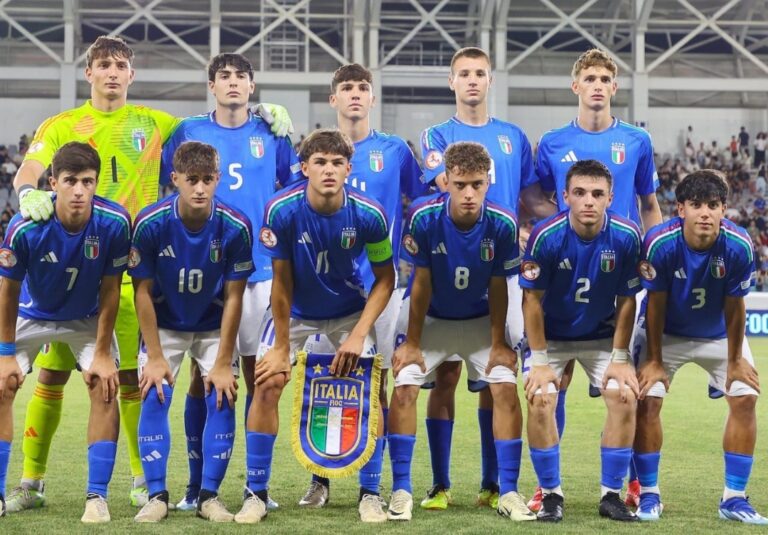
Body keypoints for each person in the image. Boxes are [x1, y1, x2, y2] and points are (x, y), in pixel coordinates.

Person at [9, 35, 292, 511]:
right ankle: (31, 482)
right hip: (68, 271)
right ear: (89, 73)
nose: (112, 72)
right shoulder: (61, 124)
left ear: (131, 74)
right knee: (51, 377)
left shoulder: (157, 123)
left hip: (130, 272)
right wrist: (25, 192)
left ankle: (144, 482)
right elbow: (30, 168)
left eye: (120, 65)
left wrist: (263, 113)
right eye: (104, 65)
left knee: (129, 381)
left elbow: (217, 125)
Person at [159, 52, 301, 512]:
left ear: (253, 86)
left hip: (260, 273)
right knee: (202, 379)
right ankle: (196, 488)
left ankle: (256, 487)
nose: (233, 82)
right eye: (224, 76)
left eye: (242, 76)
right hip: (204, 274)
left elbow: (293, 191)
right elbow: (165, 185)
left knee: (259, 379)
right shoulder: (188, 131)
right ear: (212, 86)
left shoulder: (272, 132)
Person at [234, 129, 395, 524]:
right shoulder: (281, 210)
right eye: (320, 162)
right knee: (267, 382)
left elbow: (386, 279)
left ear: (348, 169)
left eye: (337, 163)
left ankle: (370, 494)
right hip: (296, 312)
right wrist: (280, 347)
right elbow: (281, 282)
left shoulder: (369, 214)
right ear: (304, 167)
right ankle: (256, 494)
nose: (329, 170)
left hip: (348, 312)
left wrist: (358, 335)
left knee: (373, 389)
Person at [418, 45, 555, 511]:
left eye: (480, 73)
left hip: (505, 268)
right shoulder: (437, 135)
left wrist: (573, 218)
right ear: (452, 82)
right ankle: (440, 484)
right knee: (446, 374)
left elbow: (532, 201)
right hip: (451, 265)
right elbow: (445, 187)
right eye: (464, 73)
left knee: (499, 372)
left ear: (490, 81)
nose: (472, 80)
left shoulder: (514, 136)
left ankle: (494, 483)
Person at [532, 48, 662, 510]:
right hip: (568, 272)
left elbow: (649, 205)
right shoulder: (551, 142)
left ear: (614, 87)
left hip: (621, 275)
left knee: (629, 384)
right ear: (576, 86)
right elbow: (536, 199)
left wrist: (652, 256)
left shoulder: (637, 140)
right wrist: (560, 234)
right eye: (589, 78)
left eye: (605, 79)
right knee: (556, 382)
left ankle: (629, 483)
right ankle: (547, 486)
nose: (597, 86)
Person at [296, 63, 427, 508]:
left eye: (363, 88)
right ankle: (320, 478)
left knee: (378, 384)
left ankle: (372, 486)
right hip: (327, 291)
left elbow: (420, 200)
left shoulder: (396, 150)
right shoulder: (319, 151)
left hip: (381, 288)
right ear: (333, 98)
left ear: (373, 98)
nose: (355, 94)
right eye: (347, 88)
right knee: (323, 381)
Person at [387, 142, 531, 522]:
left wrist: (499, 343)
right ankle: (402, 490)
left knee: (504, 386)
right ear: (447, 181)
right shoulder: (424, 217)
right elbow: (420, 283)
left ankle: (508, 491)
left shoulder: (502, 222)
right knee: (404, 386)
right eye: (461, 184)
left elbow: (499, 286)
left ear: (488, 183)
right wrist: (412, 343)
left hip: (480, 321)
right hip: (432, 320)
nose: (469, 194)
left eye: (477, 185)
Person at [0, 142, 130, 522]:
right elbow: (7, 291)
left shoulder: (114, 223)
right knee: (1, 383)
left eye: (87, 182)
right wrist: (5, 354)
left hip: (85, 317)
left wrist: (102, 353)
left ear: (96, 183)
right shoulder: (26, 226)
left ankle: (97, 497)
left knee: (105, 385)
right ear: (53, 183)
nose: (79, 191)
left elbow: (111, 289)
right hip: (30, 314)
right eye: (70, 181)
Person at [633, 170, 766, 524]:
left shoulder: (739, 245)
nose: (705, 213)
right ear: (681, 209)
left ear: (724, 209)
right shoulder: (660, 243)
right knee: (647, 398)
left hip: (718, 334)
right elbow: (655, 304)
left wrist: (735, 360)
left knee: (745, 396)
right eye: (696, 205)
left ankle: (733, 499)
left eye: (713, 205)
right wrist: (654, 360)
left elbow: (735, 306)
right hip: (666, 333)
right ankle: (649, 494)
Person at [130, 141, 252, 523]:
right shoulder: (150, 224)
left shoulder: (236, 226)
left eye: (207, 180)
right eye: (191, 180)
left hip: (213, 324)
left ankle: (209, 497)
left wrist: (222, 362)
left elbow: (235, 297)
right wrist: (154, 357)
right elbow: (141, 292)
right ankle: (156, 496)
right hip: (165, 324)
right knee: (154, 393)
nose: (200, 189)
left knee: (223, 395)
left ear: (218, 179)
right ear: (175, 179)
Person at [520, 159, 642, 523]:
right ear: (565, 196)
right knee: (541, 398)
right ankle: (551, 495)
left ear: (610, 198)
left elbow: (627, 300)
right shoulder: (546, 236)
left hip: (601, 336)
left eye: (597, 194)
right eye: (580, 193)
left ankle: (611, 495)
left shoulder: (626, 235)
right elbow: (531, 301)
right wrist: (541, 361)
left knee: (624, 395)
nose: (589, 201)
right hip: (551, 339)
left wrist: (620, 357)